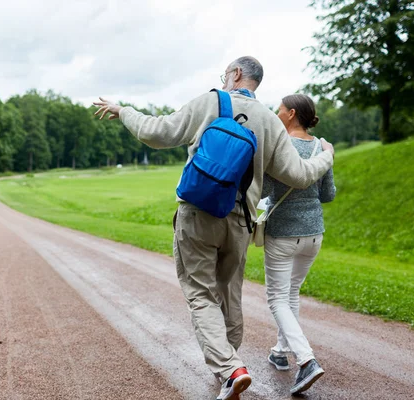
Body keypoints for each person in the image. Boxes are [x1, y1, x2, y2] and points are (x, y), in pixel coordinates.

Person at [93, 56, 335, 400]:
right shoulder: (270, 120)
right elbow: (299, 175)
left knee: (200, 294)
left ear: (235, 74)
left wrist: (124, 111)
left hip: (197, 213)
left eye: (225, 74)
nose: (223, 79)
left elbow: (158, 133)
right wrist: (327, 156)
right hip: (240, 221)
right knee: (229, 294)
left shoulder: (211, 101)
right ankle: (229, 368)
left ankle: (231, 369)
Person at [262, 94, 336, 394]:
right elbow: (328, 194)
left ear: (292, 114)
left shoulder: (279, 145)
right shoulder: (321, 147)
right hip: (314, 234)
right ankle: (280, 351)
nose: (276, 113)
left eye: (279, 109)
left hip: (282, 233)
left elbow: (266, 189)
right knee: (291, 292)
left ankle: (306, 360)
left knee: (277, 298)